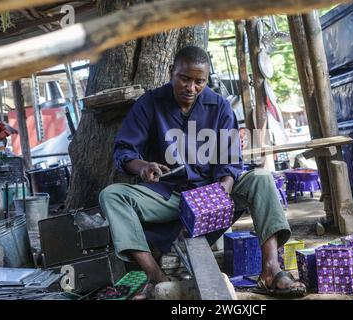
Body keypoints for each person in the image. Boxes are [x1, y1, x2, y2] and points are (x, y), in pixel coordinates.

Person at [99, 46, 306, 299]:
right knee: (112, 195)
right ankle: (156, 276)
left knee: (261, 178)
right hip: (167, 195)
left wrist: (222, 191)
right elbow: (124, 150)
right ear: (171, 72)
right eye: (184, 79)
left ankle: (271, 270)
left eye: (199, 81)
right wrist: (143, 167)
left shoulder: (219, 106)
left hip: (210, 192)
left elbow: (230, 161)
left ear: (206, 80)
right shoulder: (150, 104)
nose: (191, 88)